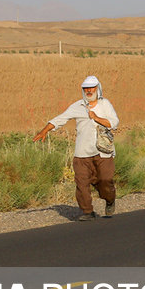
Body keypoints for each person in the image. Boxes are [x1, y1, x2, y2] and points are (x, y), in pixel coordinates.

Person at [33, 75, 119, 221]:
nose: (89, 91)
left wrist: (96, 118)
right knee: (81, 182)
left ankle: (110, 200)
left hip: (103, 152)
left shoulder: (105, 104)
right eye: (86, 89)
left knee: (105, 180)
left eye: (91, 88)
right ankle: (87, 211)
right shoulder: (78, 106)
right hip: (82, 152)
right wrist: (44, 130)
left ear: (98, 89)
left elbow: (114, 123)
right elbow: (60, 119)